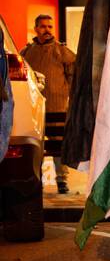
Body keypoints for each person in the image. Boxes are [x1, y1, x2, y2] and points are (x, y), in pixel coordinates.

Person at [21, 14, 77, 194]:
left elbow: (73, 75)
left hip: (58, 106)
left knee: (58, 144)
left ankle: (62, 181)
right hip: (33, 108)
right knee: (35, 144)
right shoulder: (26, 52)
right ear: (36, 28)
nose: (47, 30)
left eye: (50, 27)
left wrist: (68, 94)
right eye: (43, 27)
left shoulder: (62, 51)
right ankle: (36, 179)